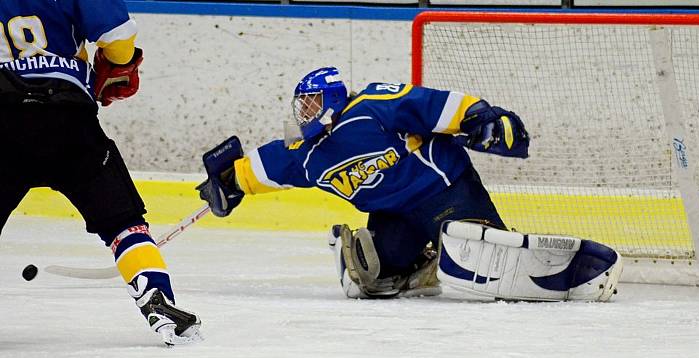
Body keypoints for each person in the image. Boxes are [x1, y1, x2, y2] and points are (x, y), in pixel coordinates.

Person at [197, 67, 622, 302]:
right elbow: (259, 168)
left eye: (310, 102)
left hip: (446, 192)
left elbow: (434, 104)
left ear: (331, 99)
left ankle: (552, 269)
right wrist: (229, 183)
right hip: (394, 216)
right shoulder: (304, 156)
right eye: (300, 105)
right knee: (371, 274)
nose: (304, 112)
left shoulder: (372, 107)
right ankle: (421, 265)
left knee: (473, 248)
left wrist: (479, 116)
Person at [0, 0, 201, 344]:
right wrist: (116, 64)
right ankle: (158, 297)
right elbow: (119, 38)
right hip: (69, 121)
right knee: (124, 224)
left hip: (3, 120)